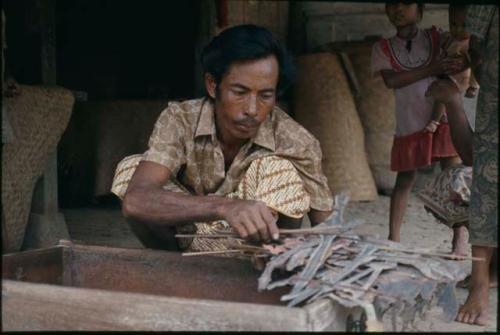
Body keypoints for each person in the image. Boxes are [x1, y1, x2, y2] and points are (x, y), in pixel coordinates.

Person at [112, 25, 334, 252]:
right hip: (185, 244)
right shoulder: (180, 119)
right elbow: (136, 201)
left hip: (254, 254)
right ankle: (176, 269)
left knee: (280, 171)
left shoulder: (296, 140)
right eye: (239, 92)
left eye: (266, 95)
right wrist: (225, 206)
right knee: (130, 171)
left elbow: (327, 228)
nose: (252, 109)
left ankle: (264, 266)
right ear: (212, 85)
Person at [371, 2, 466, 254]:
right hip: (410, 121)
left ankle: (459, 239)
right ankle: (394, 237)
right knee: (405, 179)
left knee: (452, 176)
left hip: (443, 117)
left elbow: (458, 58)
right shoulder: (383, 48)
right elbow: (392, 80)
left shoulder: (436, 38)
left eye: (406, 3)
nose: (398, 9)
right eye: (392, 4)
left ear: (420, 9)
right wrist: (432, 68)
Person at [426, 5, 498, 326]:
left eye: (463, 21)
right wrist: (454, 101)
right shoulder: (479, 69)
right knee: (459, 182)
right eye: (454, 20)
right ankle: (485, 277)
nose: (458, 27)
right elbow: (478, 160)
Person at [425, 4, 480, 134]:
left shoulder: (470, 44)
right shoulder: (450, 37)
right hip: (447, 73)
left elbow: (475, 64)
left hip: (459, 78)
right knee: (438, 87)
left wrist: (473, 86)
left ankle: (434, 121)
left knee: (443, 94)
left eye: (464, 25)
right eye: (453, 24)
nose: (458, 29)